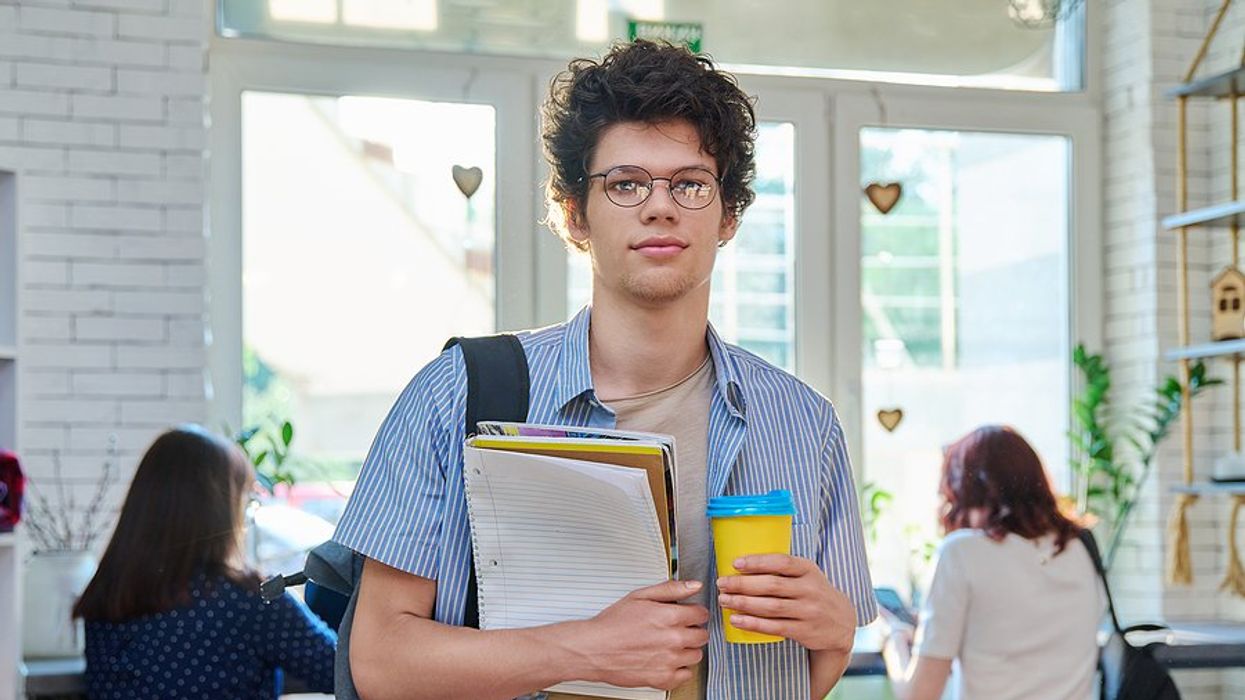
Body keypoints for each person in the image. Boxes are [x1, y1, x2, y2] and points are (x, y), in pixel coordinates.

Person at [334, 39, 877, 700]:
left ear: (728, 215)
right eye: (624, 184)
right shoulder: (456, 395)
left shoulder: (802, 423)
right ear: (573, 214)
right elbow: (381, 659)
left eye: (690, 183)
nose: (659, 206)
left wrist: (836, 631)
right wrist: (583, 648)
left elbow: (802, 670)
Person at [73, 426, 336, 700]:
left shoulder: (108, 594)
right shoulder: (251, 600)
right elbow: (346, 673)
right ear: (221, 511)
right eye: (244, 500)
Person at [881, 425, 1105, 700]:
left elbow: (918, 695)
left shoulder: (962, 552)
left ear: (966, 491)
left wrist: (893, 641)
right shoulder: (1079, 547)